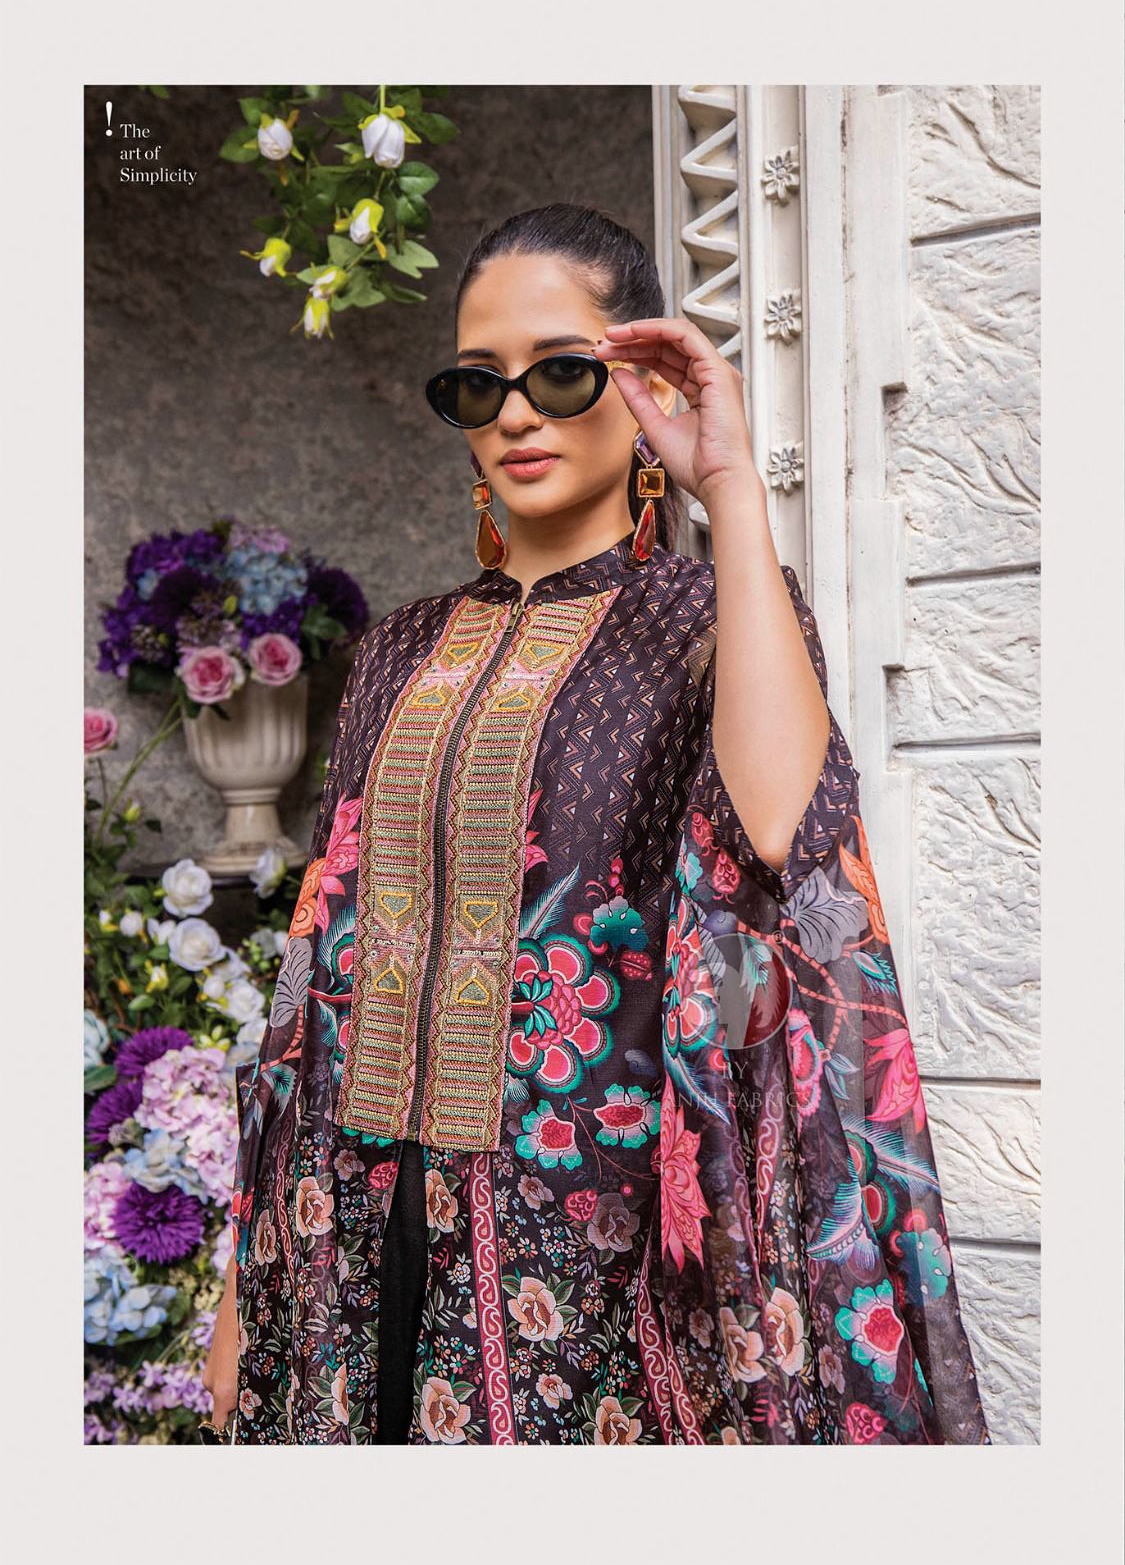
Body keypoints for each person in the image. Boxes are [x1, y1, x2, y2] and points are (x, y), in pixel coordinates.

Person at [203, 202, 990, 1445]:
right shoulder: (397, 649)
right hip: (345, 1236)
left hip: (592, 1254)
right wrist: (242, 1283)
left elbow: (784, 836)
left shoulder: (713, 618)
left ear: (639, 384)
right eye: (479, 384)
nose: (517, 413)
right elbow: (313, 959)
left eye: (561, 373)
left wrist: (729, 485)